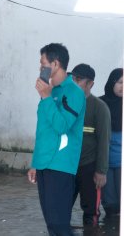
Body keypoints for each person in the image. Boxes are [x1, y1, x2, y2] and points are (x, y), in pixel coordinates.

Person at [27, 43, 85, 236]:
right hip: (45, 164)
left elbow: (62, 126)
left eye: (42, 63)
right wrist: (36, 163)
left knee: (59, 224)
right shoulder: (52, 91)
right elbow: (43, 130)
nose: (40, 68)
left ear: (56, 64)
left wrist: (46, 97)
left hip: (61, 164)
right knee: (52, 224)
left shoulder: (74, 92)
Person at [70, 64, 111, 226]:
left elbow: (104, 141)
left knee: (91, 212)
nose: (73, 83)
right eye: (72, 79)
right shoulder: (66, 103)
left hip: (89, 167)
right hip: (68, 166)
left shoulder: (99, 108)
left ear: (90, 84)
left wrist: (101, 171)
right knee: (61, 209)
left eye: (78, 80)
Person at [100, 68, 123, 217]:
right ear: (112, 83)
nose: (123, 86)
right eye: (120, 82)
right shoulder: (101, 104)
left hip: (122, 162)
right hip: (105, 162)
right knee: (110, 203)